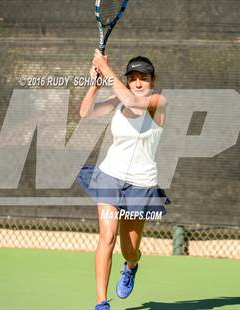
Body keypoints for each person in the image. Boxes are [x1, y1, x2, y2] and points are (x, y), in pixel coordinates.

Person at [77, 50, 171, 310]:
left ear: (153, 81)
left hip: (141, 185)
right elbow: (86, 112)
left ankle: (131, 266)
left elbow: (134, 103)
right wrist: (95, 85)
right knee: (106, 237)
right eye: (133, 78)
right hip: (110, 176)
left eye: (144, 78)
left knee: (129, 249)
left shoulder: (157, 102)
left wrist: (105, 70)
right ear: (128, 81)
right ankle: (101, 303)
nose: (139, 83)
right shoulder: (118, 101)